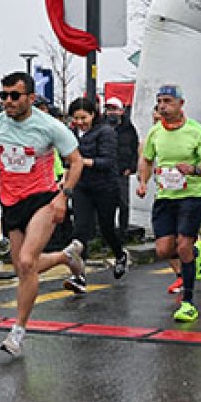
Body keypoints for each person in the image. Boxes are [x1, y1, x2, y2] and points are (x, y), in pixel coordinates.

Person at [0, 71, 86, 357]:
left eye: (14, 96)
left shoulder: (49, 126)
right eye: (3, 95)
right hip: (11, 202)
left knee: (27, 260)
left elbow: (76, 162)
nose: (8, 101)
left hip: (43, 200)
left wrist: (63, 197)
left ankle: (18, 331)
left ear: (30, 98)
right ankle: (67, 256)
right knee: (22, 267)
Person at [137, 84, 201, 322]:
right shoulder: (155, 132)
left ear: (181, 104)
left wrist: (194, 169)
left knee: (182, 246)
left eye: (167, 102)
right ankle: (196, 252)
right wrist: (143, 182)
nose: (162, 106)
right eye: (160, 102)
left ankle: (188, 302)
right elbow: (147, 159)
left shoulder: (196, 131)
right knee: (164, 250)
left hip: (190, 196)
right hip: (165, 197)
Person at [67, 97, 128, 278]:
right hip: (82, 187)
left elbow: (108, 161)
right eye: (75, 119)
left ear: (93, 115)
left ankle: (120, 254)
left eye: (83, 118)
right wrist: (67, 178)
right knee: (80, 229)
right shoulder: (71, 134)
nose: (79, 123)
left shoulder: (105, 132)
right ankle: (79, 274)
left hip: (105, 187)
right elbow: (67, 160)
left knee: (106, 227)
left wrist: (82, 162)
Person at [104, 97, 139, 238]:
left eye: (115, 109)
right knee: (107, 205)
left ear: (122, 111)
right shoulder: (102, 127)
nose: (112, 112)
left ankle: (123, 232)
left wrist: (131, 167)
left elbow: (134, 149)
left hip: (122, 171)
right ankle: (108, 233)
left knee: (123, 203)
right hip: (105, 172)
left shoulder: (129, 129)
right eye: (109, 109)